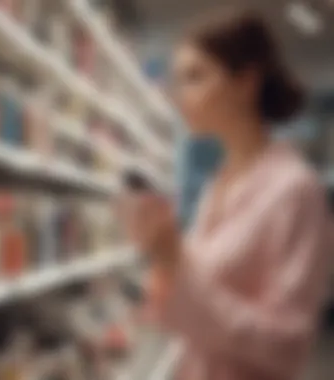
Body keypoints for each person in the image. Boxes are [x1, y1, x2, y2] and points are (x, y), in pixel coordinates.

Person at [120, 7, 332, 380]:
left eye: (195, 76)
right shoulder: (218, 183)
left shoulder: (295, 191)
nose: (178, 94)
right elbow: (199, 297)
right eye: (178, 79)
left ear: (245, 82)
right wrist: (161, 256)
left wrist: (175, 267)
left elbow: (287, 344)